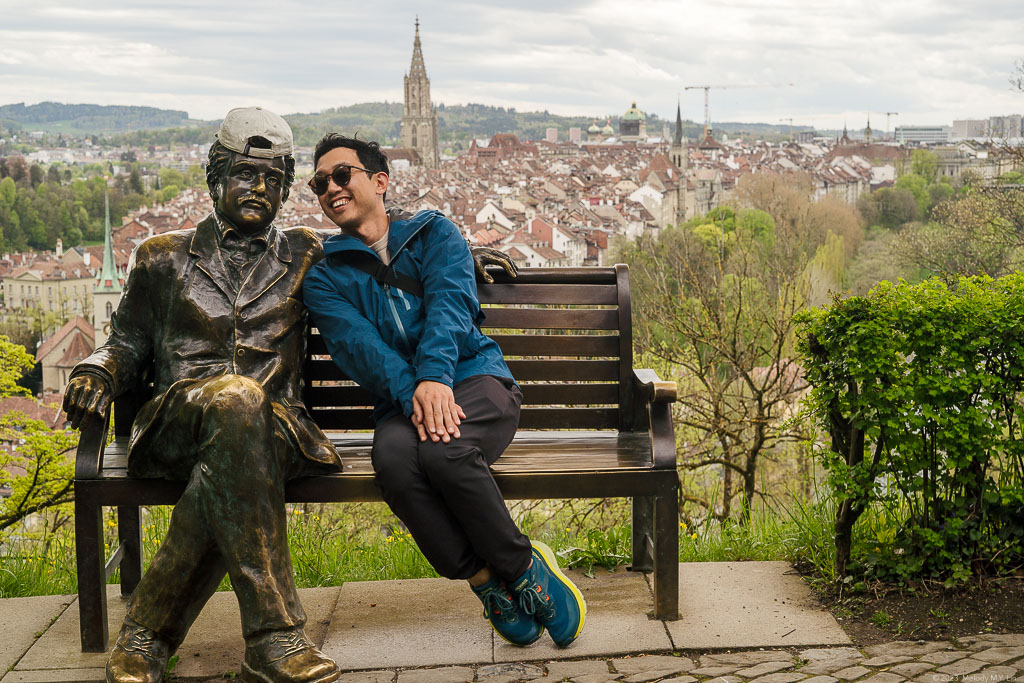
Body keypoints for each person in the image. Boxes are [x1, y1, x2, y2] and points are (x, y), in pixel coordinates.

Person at [62, 108, 515, 683]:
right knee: (235, 402)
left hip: (276, 435)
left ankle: (148, 635)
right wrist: (97, 370)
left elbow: (382, 253)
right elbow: (123, 343)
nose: (259, 189)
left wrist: (465, 260)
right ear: (214, 176)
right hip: (176, 426)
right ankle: (273, 639)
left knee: (240, 421)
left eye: (273, 180)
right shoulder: (161, 256)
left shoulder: (304, 254)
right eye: (246, 174)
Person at [302, 133, 587, 649]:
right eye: (320, 183)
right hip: (400, 401)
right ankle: (485, 582)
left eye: (342, 175)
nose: (330, 188)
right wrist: (419, 391)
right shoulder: (325, 277)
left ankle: (524, 570)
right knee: (394, 465)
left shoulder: (435, 233)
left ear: (379, 181)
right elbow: (359, 348)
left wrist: (436, 376)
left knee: (445, 450)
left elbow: (451, 306)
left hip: (478, 380)